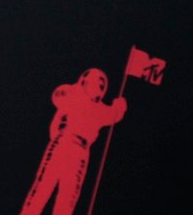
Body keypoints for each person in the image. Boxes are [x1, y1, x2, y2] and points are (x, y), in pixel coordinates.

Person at [19, 68, 127, 215]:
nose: (100, 87)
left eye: (102, 85)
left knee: (68, 198)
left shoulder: (99, 109)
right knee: (42, 189)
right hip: (62, 143)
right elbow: (57, 95)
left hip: (80, 152)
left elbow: (113, 115)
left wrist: (119, 106)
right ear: (85, 81)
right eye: (97, 82)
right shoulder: (73, 94)